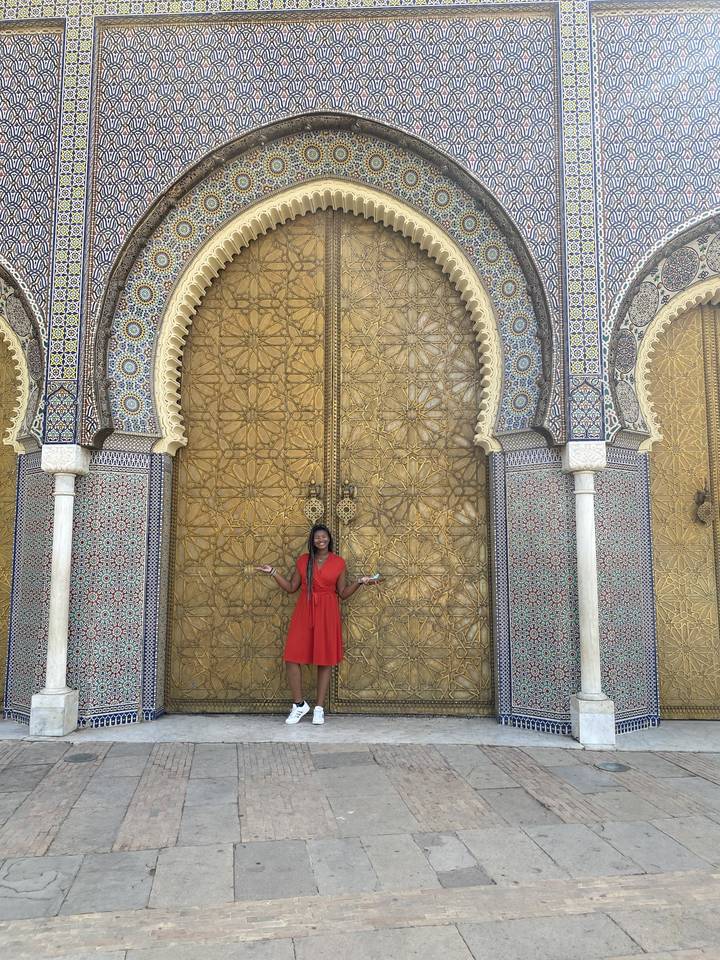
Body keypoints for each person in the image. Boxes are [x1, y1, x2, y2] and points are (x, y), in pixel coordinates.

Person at [255, 523, 380, 724]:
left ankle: (319, 709)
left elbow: (343, 593)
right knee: (291, 657)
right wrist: (273, 572)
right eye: (316, 538)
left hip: (328, 612)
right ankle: (299, 704)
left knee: (325, 659)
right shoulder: (304, 561)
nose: (320, 540)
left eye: (324, 537)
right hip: (305, 610)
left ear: (329, 539)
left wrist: (360, 582)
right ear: (312, 541)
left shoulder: (338, 563)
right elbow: (291, 587)